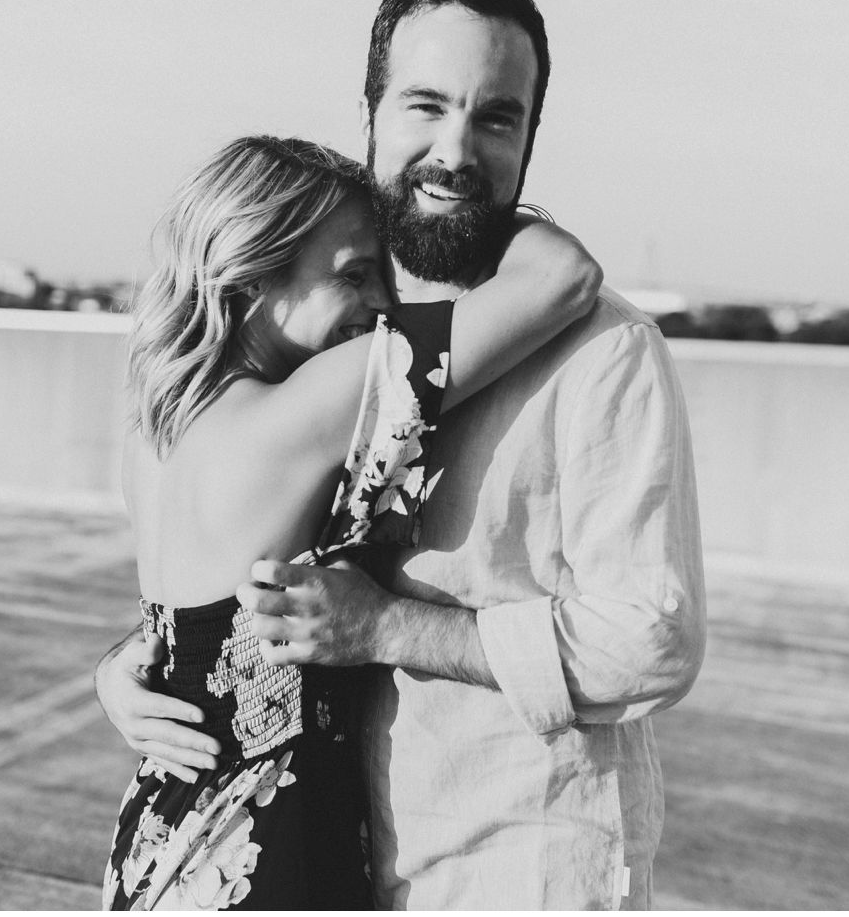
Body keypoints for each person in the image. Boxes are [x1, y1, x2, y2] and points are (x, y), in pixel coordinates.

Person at [98, 0, 706, 910]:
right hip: (325, 854)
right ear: (372, 109)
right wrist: (130, 669)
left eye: (497, 118)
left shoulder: (605, 354)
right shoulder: (331, 344)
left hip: (508, 866)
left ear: (530, 137)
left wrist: (390, 628)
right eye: (426, 105)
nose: (456, 151)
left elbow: (653, 644)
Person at [101, 133, 601, 909]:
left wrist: (112, 667)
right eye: (354, 275)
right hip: (266, 853)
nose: (380, 306)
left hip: (159, 840)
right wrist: (455, 194)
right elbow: (563, 279)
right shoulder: (308, 407)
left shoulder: (153, 424)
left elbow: (191, 623)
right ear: (255, 274)